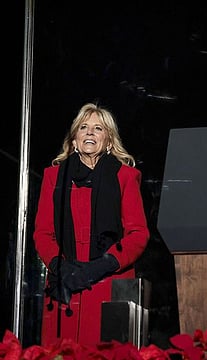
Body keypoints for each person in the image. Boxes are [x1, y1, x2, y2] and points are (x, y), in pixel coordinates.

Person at [33, 102, 150, 346]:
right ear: (74, 140)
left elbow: (138, 234)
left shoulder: (126, 177)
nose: (89, 132)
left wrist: (103, 265)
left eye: (98, 128)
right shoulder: (53, 177)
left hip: (109, 283)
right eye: (83, 127)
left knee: (107, 351)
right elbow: (43, 233)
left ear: (108, 141)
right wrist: (60, 267)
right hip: (65, 282)